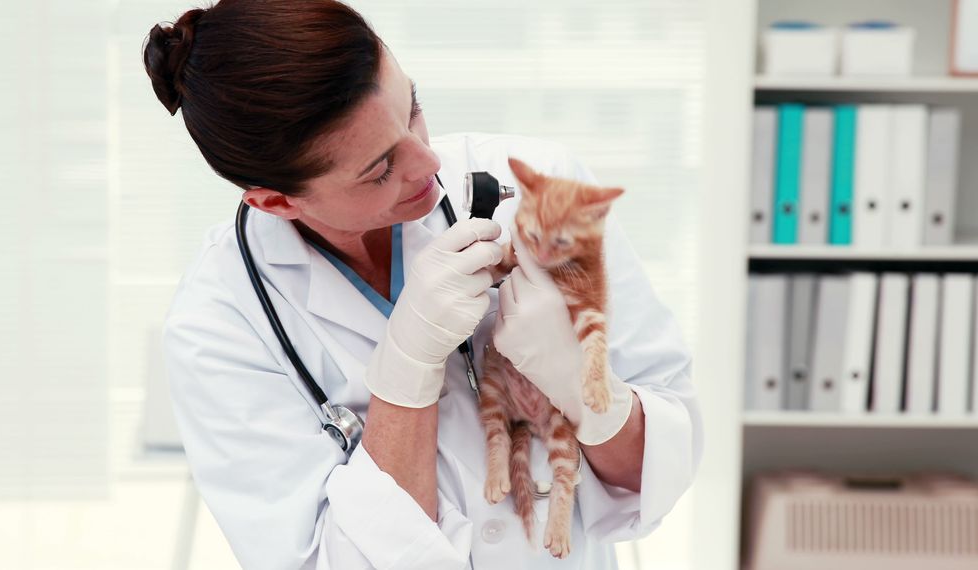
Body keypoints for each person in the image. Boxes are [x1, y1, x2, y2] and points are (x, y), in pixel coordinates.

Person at [145, 1, 702, 568]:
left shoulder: (539, 189)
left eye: (412, 107)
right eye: (379, 170)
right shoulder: (220, 324)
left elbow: (660, 472)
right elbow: (323, 561)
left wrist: (586, 389)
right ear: (277, 201)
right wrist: (406, 370)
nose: (426, 160)